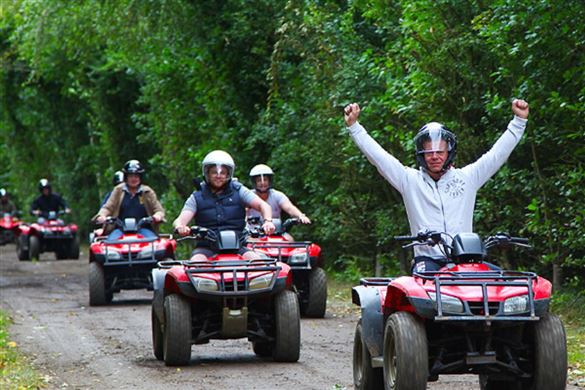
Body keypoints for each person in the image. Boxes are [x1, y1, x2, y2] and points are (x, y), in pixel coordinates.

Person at [344, 99, 530, 272]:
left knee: (501, 282)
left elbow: (496, 155)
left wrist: (519, 121)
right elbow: (379, 157)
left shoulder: (467, 178)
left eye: (440, 151)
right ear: (421, 153)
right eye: (429, 151)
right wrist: (354, 127)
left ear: (449, 151)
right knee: (426, 289)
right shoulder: (409, 180)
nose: (434, 156)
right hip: (427, 261)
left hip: (465, 258)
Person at [173, 150, 276, 261]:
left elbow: (263, 206)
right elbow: (179, 220)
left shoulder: (239, 190)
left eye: (222, 172)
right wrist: (180, 227)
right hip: (206, 247)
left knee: (258, 264)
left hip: (238, 246)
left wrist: (268, 221)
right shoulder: (197, 197)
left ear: (228, 174)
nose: (218, 176)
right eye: (214, 172)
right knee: (195, 265)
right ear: (207, 173)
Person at [94, 160, 165, 240]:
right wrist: (102, 216)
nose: (133, 179)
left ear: (140, 177)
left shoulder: (147, 192)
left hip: (144, 229)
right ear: (126, 177)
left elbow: (159, 210)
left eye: (136, 176)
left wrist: (157, 216)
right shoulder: (118, 190)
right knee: (110, 245)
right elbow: (108, 207)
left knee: (154, 245)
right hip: (120, 230)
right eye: (130, 176)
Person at [247, 164, 311, 225]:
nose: (262, 183)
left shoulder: (277, 195)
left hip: (275, 231)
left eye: (265, 180)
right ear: (254, 182)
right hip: (252, 233)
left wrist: (300, 216)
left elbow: (289, 207)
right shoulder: (248, 196)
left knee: (288, 237)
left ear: (269, 181)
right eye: (259, 180)